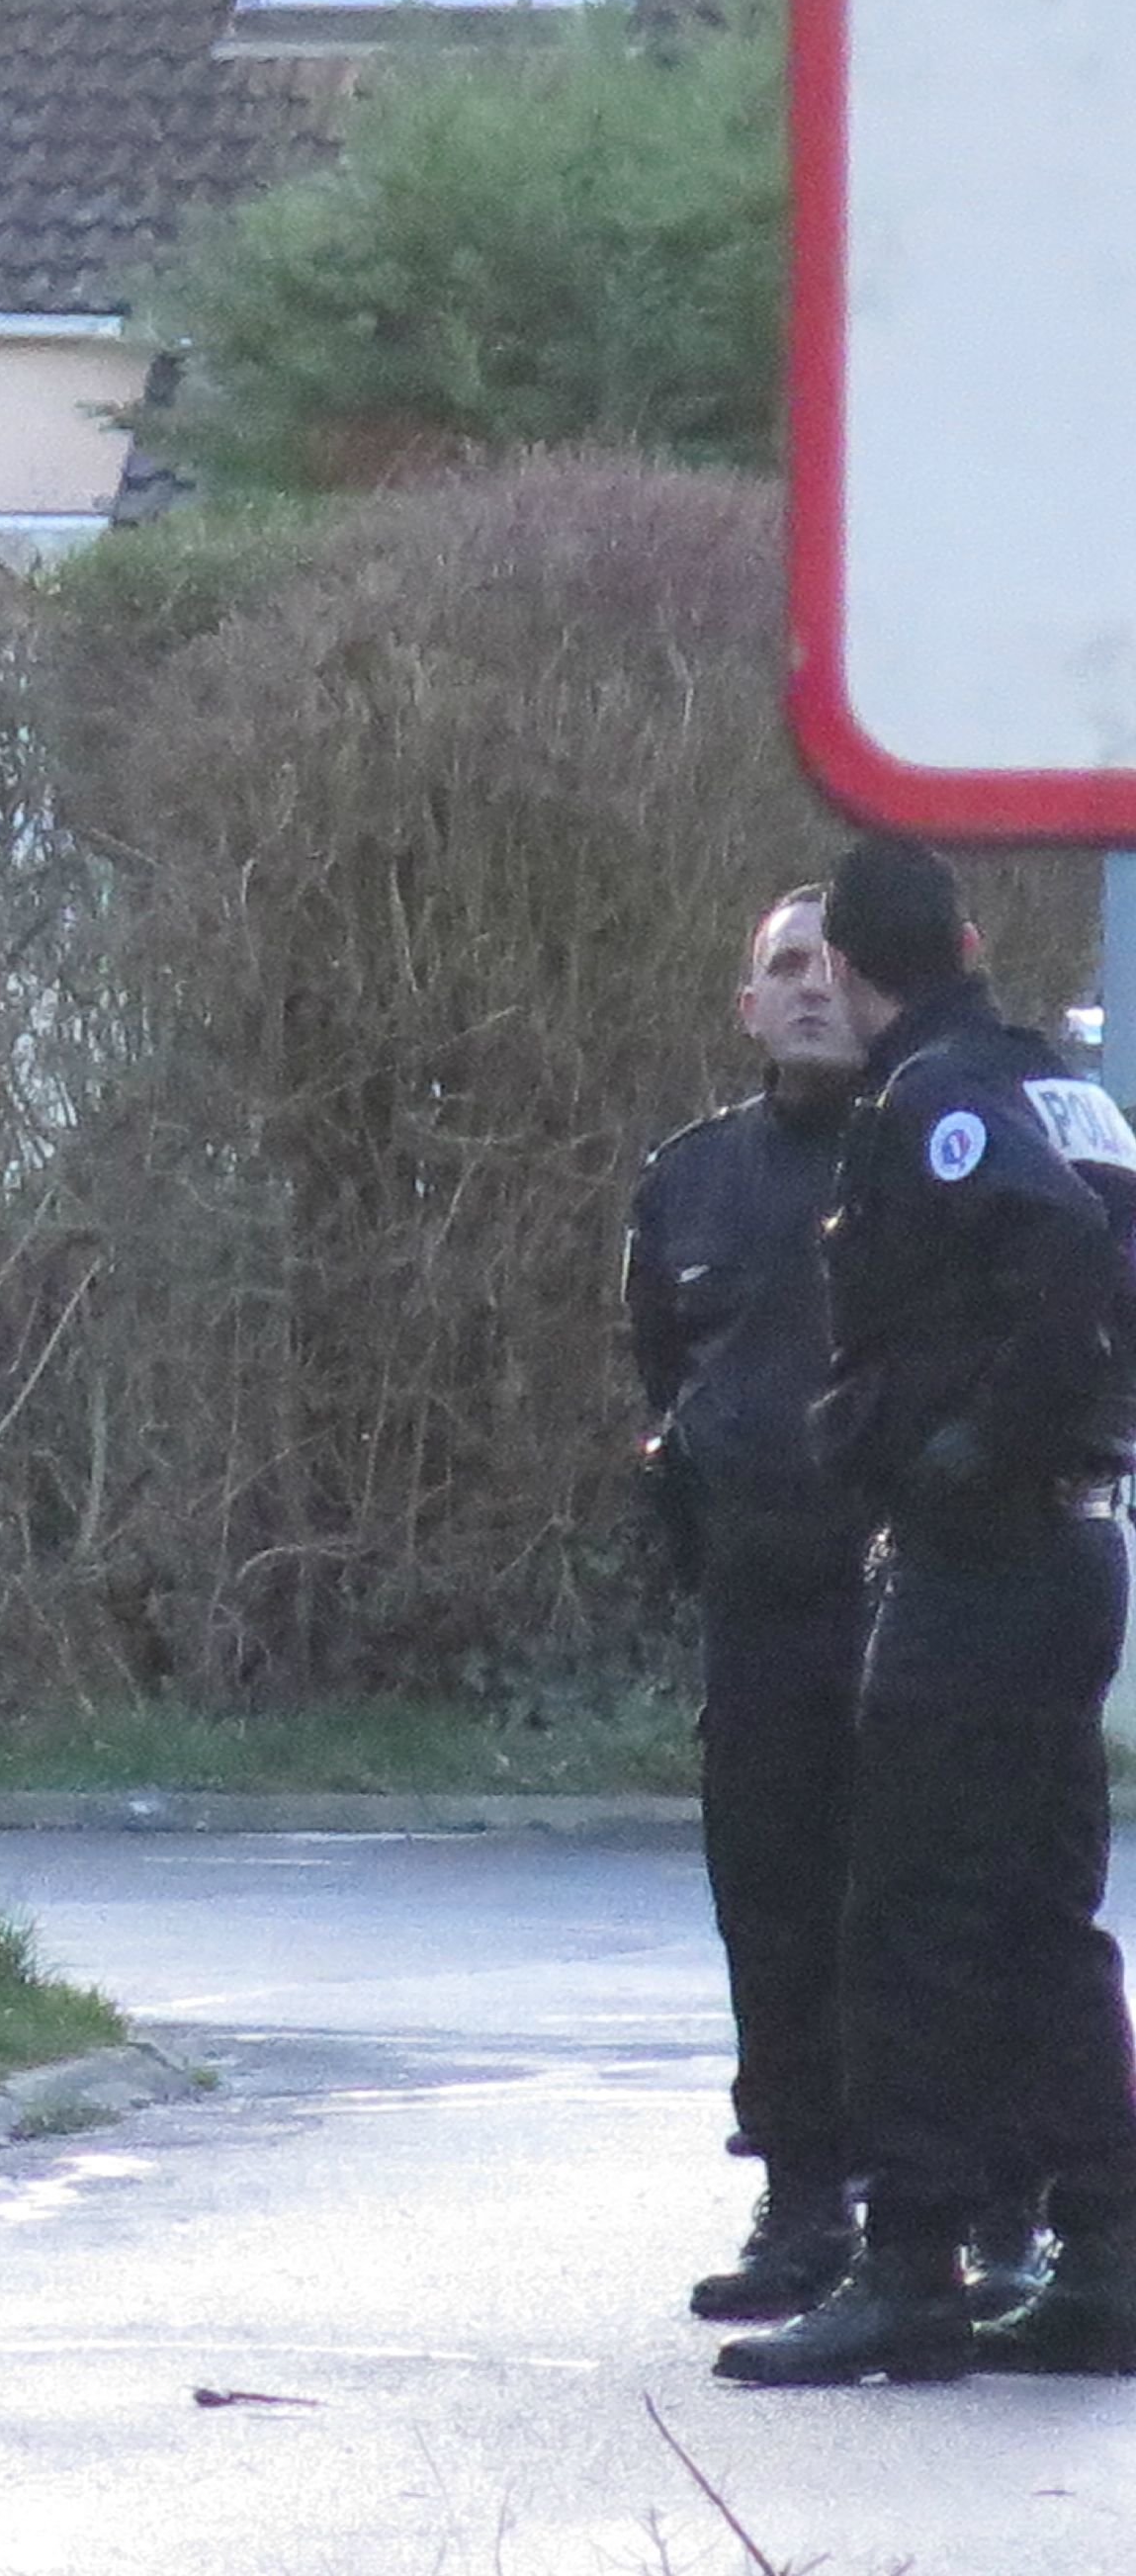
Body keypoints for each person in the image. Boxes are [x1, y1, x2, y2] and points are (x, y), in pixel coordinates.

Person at [717, 837, 1136, 2386]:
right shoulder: (1062, 1089)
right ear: (965, 936)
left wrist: (964, 1448)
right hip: (1079, 1545)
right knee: (1039, 1913)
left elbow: (1063, 1254)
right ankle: (1104, 2253)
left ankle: (910, 2270)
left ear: (851, 971)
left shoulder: (938, 1101)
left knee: (907, 1914)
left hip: (984, 1560)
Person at [629, 887, 883, 2322]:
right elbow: (663, 1372)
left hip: (912, 1593)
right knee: (770, 1904)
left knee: (919, 1904)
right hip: (761, 1599)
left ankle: (976, 2200)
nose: (808, 991)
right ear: (745, 1006)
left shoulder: (931, 1156)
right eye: (783, 969)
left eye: (836, 968)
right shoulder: (692, 1179)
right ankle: (801, 2200)